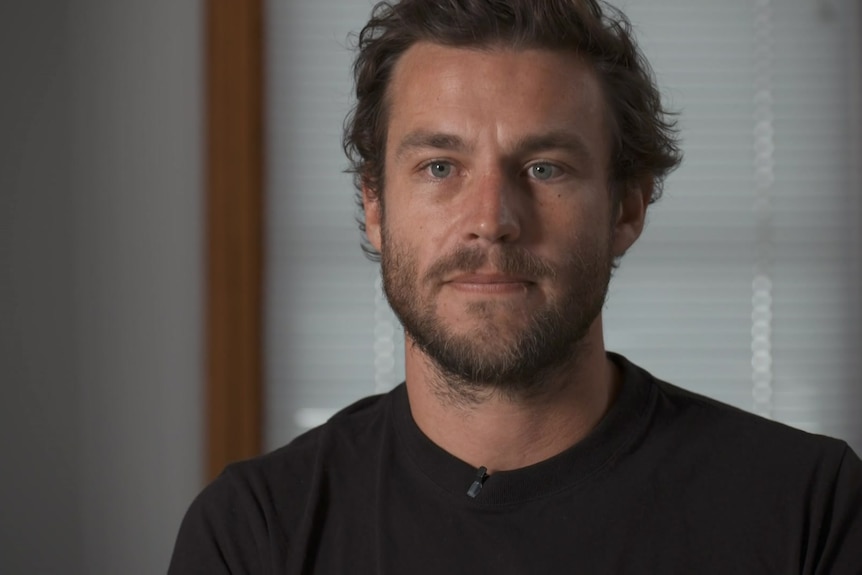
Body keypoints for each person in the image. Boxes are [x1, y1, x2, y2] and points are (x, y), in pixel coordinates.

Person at [169, 0, 862, 572]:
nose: (492, 221)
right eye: (440, 167)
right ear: (375, 206)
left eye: (545, 167)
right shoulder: (254, 535)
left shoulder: (807, 508)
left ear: (627, 208)